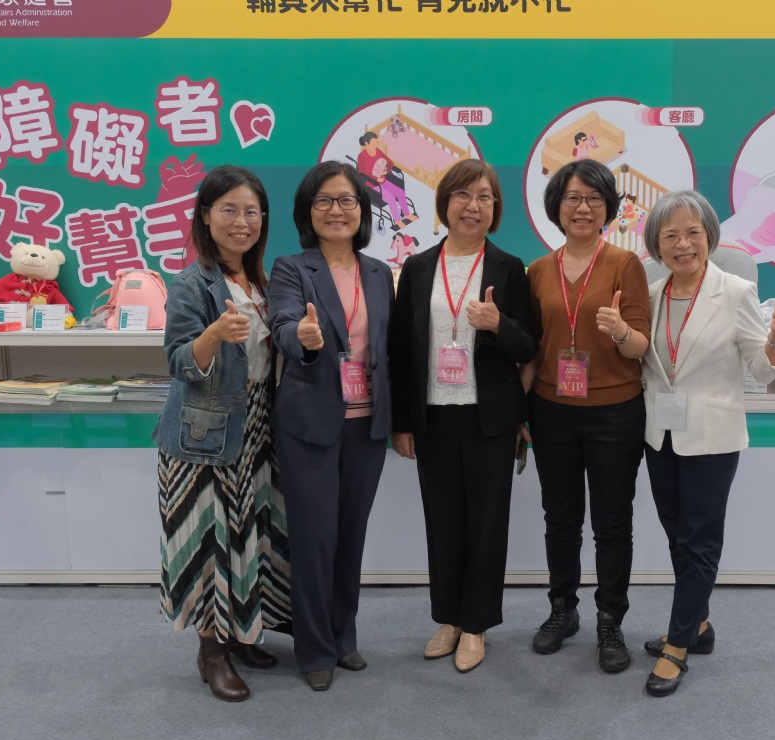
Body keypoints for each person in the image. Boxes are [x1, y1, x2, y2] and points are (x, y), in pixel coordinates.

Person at [637, 190, 775, 697]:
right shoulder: (651, 294)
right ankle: (699, 625)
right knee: (676, 534)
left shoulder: (734, 291)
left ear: (710, 237)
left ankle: (677, 646)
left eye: (693, 233)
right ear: (656, 246)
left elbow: (761, 369)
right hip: (660, 434)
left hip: (713, 436)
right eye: (670, 235)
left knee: (699, 540)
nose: (683, 244)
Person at [389, 159, 537, 673]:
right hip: (432, 415)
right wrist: (402, 422)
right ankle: (448, 618)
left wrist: (498, 324)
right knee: (443, 522)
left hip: (488, 417)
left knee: (487, 523)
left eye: (484, 197)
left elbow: (529, 344)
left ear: (495, 208)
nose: (473, 206)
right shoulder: (416, 268)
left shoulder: (509, 267)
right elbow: (401, 350)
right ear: (445, 203)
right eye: (463, 195)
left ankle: (476, 625)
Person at [153, 165, 291, 703]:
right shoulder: (192, 283)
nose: (242, 222)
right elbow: (178, 361)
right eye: (229, 210)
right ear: (206, 217)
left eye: (252, 212)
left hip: (255, 429)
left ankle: (242, 633)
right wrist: (213, 333)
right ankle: (211, 653)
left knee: (249, 536)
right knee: (208, 544)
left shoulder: (262, 282)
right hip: (203, 437)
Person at [268, 161, 395, 692]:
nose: (336, 210)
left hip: (368, 425)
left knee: (350, 535)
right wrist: (303, 338)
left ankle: (344, 637)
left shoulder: (379, 272)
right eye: (324, 200)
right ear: (308, 211)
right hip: (311, 425)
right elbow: (282, 325)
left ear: (362, 211)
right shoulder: (292, 268)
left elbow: (389, 348)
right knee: (315, 539)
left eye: (347, 200)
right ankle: (314, 647)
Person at [523, 158, 651, 673]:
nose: (583, 208)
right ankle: (563, 609)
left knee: (612, 522)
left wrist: (620, 330)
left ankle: (610, 618)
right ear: (557, 206)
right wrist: (520, 414)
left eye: (594, 199)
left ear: (609, 208)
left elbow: (640, 346)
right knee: (561, 519)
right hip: (551, 410)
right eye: (572, 198)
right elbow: (532, 350)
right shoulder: (538, 270)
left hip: (615, 413)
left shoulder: (625, 264)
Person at [357, 131, 417, 230]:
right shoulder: (362, 156)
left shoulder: (378, 151)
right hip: (372, 185)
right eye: (374, 142)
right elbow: (362, 173)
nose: (376, 144)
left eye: (376, 142)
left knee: (400, 193)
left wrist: (386, 170)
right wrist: (376, 178)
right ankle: (397, 221)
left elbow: (389, 162)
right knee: (391, 198)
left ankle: (407, 214)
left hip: (383, 180)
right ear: (367, 143)